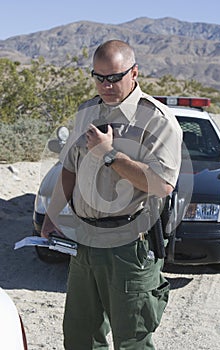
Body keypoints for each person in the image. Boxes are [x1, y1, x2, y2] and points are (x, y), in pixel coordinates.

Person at [41, 39, 183, 350]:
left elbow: (161, 185)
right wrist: (52, 214)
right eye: (99, 77)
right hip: (86, 240)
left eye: (114, 77)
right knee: (80, 336)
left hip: (130, 245)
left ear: (134, 73)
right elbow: (69, 167)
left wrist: (109, 154)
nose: (106, 85)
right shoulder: (87, 111)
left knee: (131, 340)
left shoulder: (157, 120)